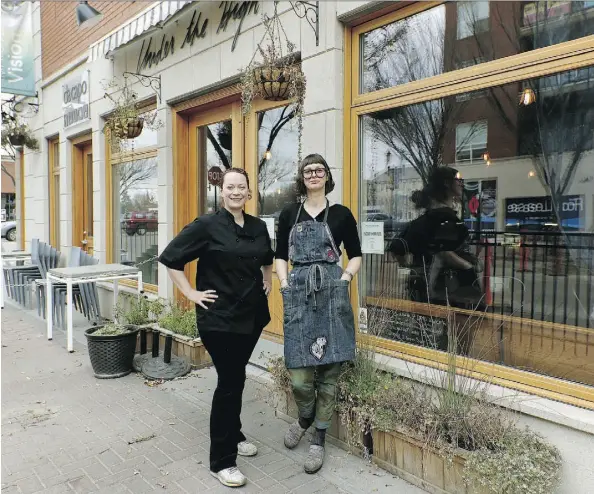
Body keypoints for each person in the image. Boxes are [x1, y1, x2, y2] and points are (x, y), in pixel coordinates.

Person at [158, 168, 273, 488]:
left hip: (251, 318)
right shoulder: (205, 226)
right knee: (230, 382)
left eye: (242, 187)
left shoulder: (258, 226)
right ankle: (221, 460)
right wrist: (190, 293)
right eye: (230, 186)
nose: (236, 191)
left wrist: (266, 275)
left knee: (235, 377)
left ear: (250, 192)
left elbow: (266, 257)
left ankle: (234, 435)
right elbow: (170, 260)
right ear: (222, 191)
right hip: (218, 319)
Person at [275, 153, 362, 474]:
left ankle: (318, 438)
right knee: (299, 373)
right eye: (308, 170)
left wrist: (344, 280)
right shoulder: (288, 214)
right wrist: (284, 283)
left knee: (329, 372)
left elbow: (356, 255)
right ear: (301, 177)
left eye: (319, 170)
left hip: (332, 294)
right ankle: (304, 416)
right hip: (299, 293)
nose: (313, 174)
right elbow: (280, 254)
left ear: (327, 176)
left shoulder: (341, 214)